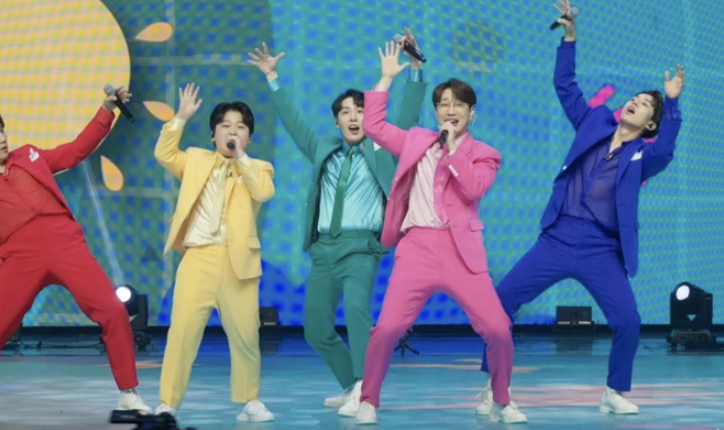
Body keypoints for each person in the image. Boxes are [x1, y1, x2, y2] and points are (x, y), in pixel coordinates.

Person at [476, 0, 685, 421]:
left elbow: (666, 149)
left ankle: (614, 391)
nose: (635, 102)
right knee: (501, 303)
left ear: (650, 124)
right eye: (635, 98)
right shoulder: (593, 123)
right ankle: (494, 388)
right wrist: (570, 38)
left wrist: (672, 102)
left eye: (645, 104)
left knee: (628, 321)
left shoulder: (645, 156)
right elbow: (566, 85)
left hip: (601, 250)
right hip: (558, 238)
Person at [0, 86, 152, 416]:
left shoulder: (29, 157)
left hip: (66, 244)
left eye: (2, 130)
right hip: (21, 258)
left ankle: (128, 392)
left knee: (113, 311)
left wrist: (107, 109)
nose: (3, 138)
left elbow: (75, 151)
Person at [245, 29, 428, 411]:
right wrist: (272, 77)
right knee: (315, 328)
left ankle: (364, 388)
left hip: (362, 247)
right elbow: (294, 123)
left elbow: (409, 119)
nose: (354, 116)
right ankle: (351, 384)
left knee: (357, 310)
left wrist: (414, 70)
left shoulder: (382, 147)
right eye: (345, 112)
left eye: (360, 109)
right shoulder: (323, 148)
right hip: (324, 249)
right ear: (336, 122)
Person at [339, 41, 520, 425]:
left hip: (461, 251)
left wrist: (453, 150)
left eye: (459, 104)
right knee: (387, 328)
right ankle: (368, 400)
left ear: (472, 112)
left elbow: (473, 188)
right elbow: (373, 126)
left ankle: (501, 398)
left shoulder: (485, 154)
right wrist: (386, 79)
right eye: (443, 104)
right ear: (435, 111)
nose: (450, 110)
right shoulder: (416, 140)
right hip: (417, 247)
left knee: (498, 328)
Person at [152, 83, 276, 422]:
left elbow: (264, 192)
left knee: (246, 334)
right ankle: (168, 402)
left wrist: (241, 157)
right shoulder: (195, 159)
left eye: (240, 127)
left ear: (249, 136)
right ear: (213, 134)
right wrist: (180, 117)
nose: (232, 132)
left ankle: (249, 400)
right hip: (198, 257)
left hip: (239, 262)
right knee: (182, 333)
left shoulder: (258, 167)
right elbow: (164, 154)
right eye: (225, 126)